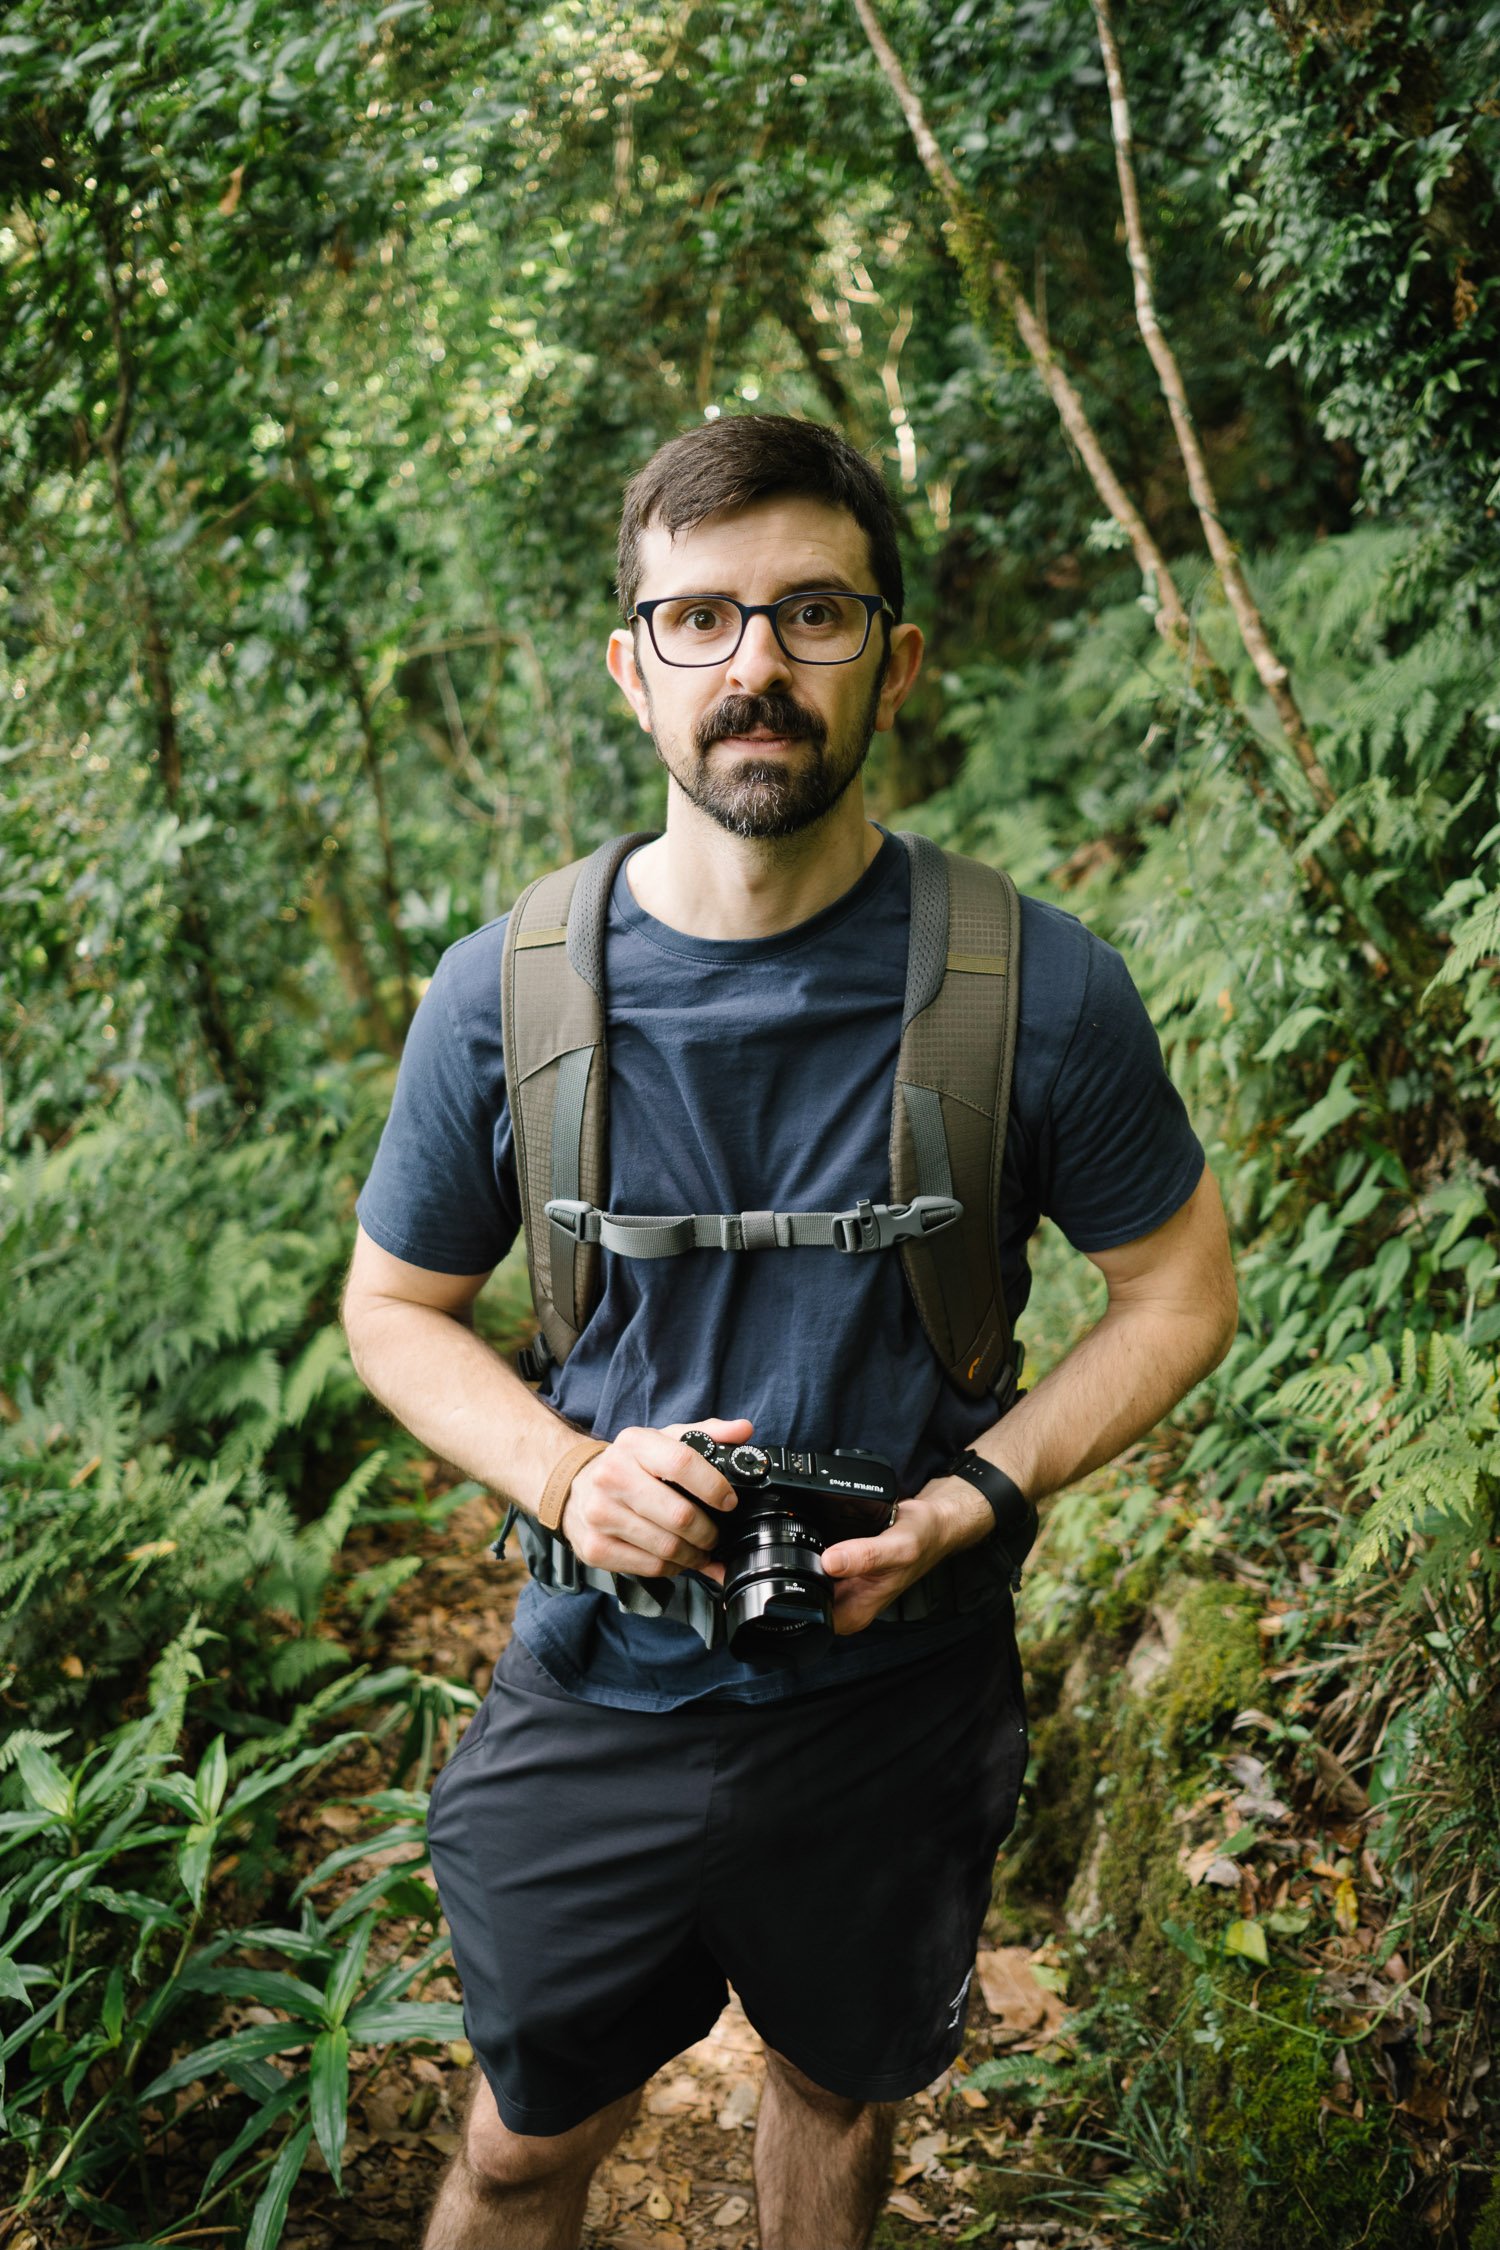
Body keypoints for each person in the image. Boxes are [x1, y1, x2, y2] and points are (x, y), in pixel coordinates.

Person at [340, 413, 1237, 2250]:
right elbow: (395, 1306)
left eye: (813, 613)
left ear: (893, 659)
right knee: (517, 2148)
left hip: (898, 1695)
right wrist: (572, 1474)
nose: (756, 663)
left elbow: (1181, 1290)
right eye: (703, 619)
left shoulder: (1037, 989)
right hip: (599, 1682)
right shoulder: (505, 993)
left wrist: (979, 1492)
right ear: (631, 665)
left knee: (832, 2099)